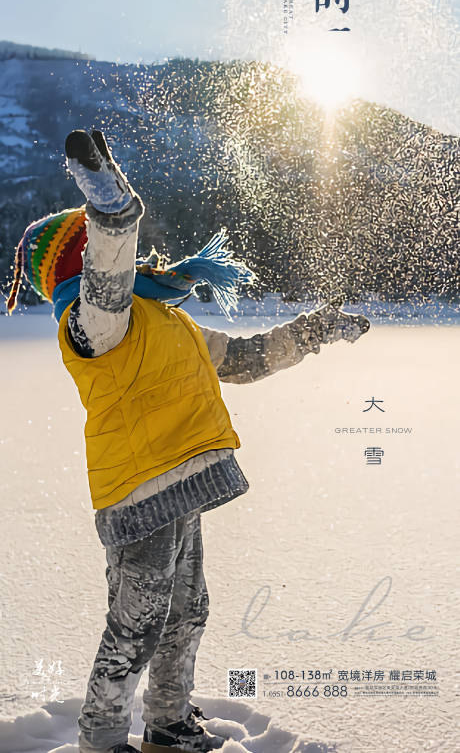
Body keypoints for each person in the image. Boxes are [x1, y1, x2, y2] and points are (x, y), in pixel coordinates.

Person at [7, 129, 370, 753]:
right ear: (81, 262)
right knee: (136, 625)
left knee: (185, 614)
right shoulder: (92, 324)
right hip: (140, 491)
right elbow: (111, 266)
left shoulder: (163, 318)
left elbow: (245, 359)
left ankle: (168, 723)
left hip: (184, 480)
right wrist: (112, 208)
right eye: (97, 247)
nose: (134, 259)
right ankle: (100, 738)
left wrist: (313, 330)